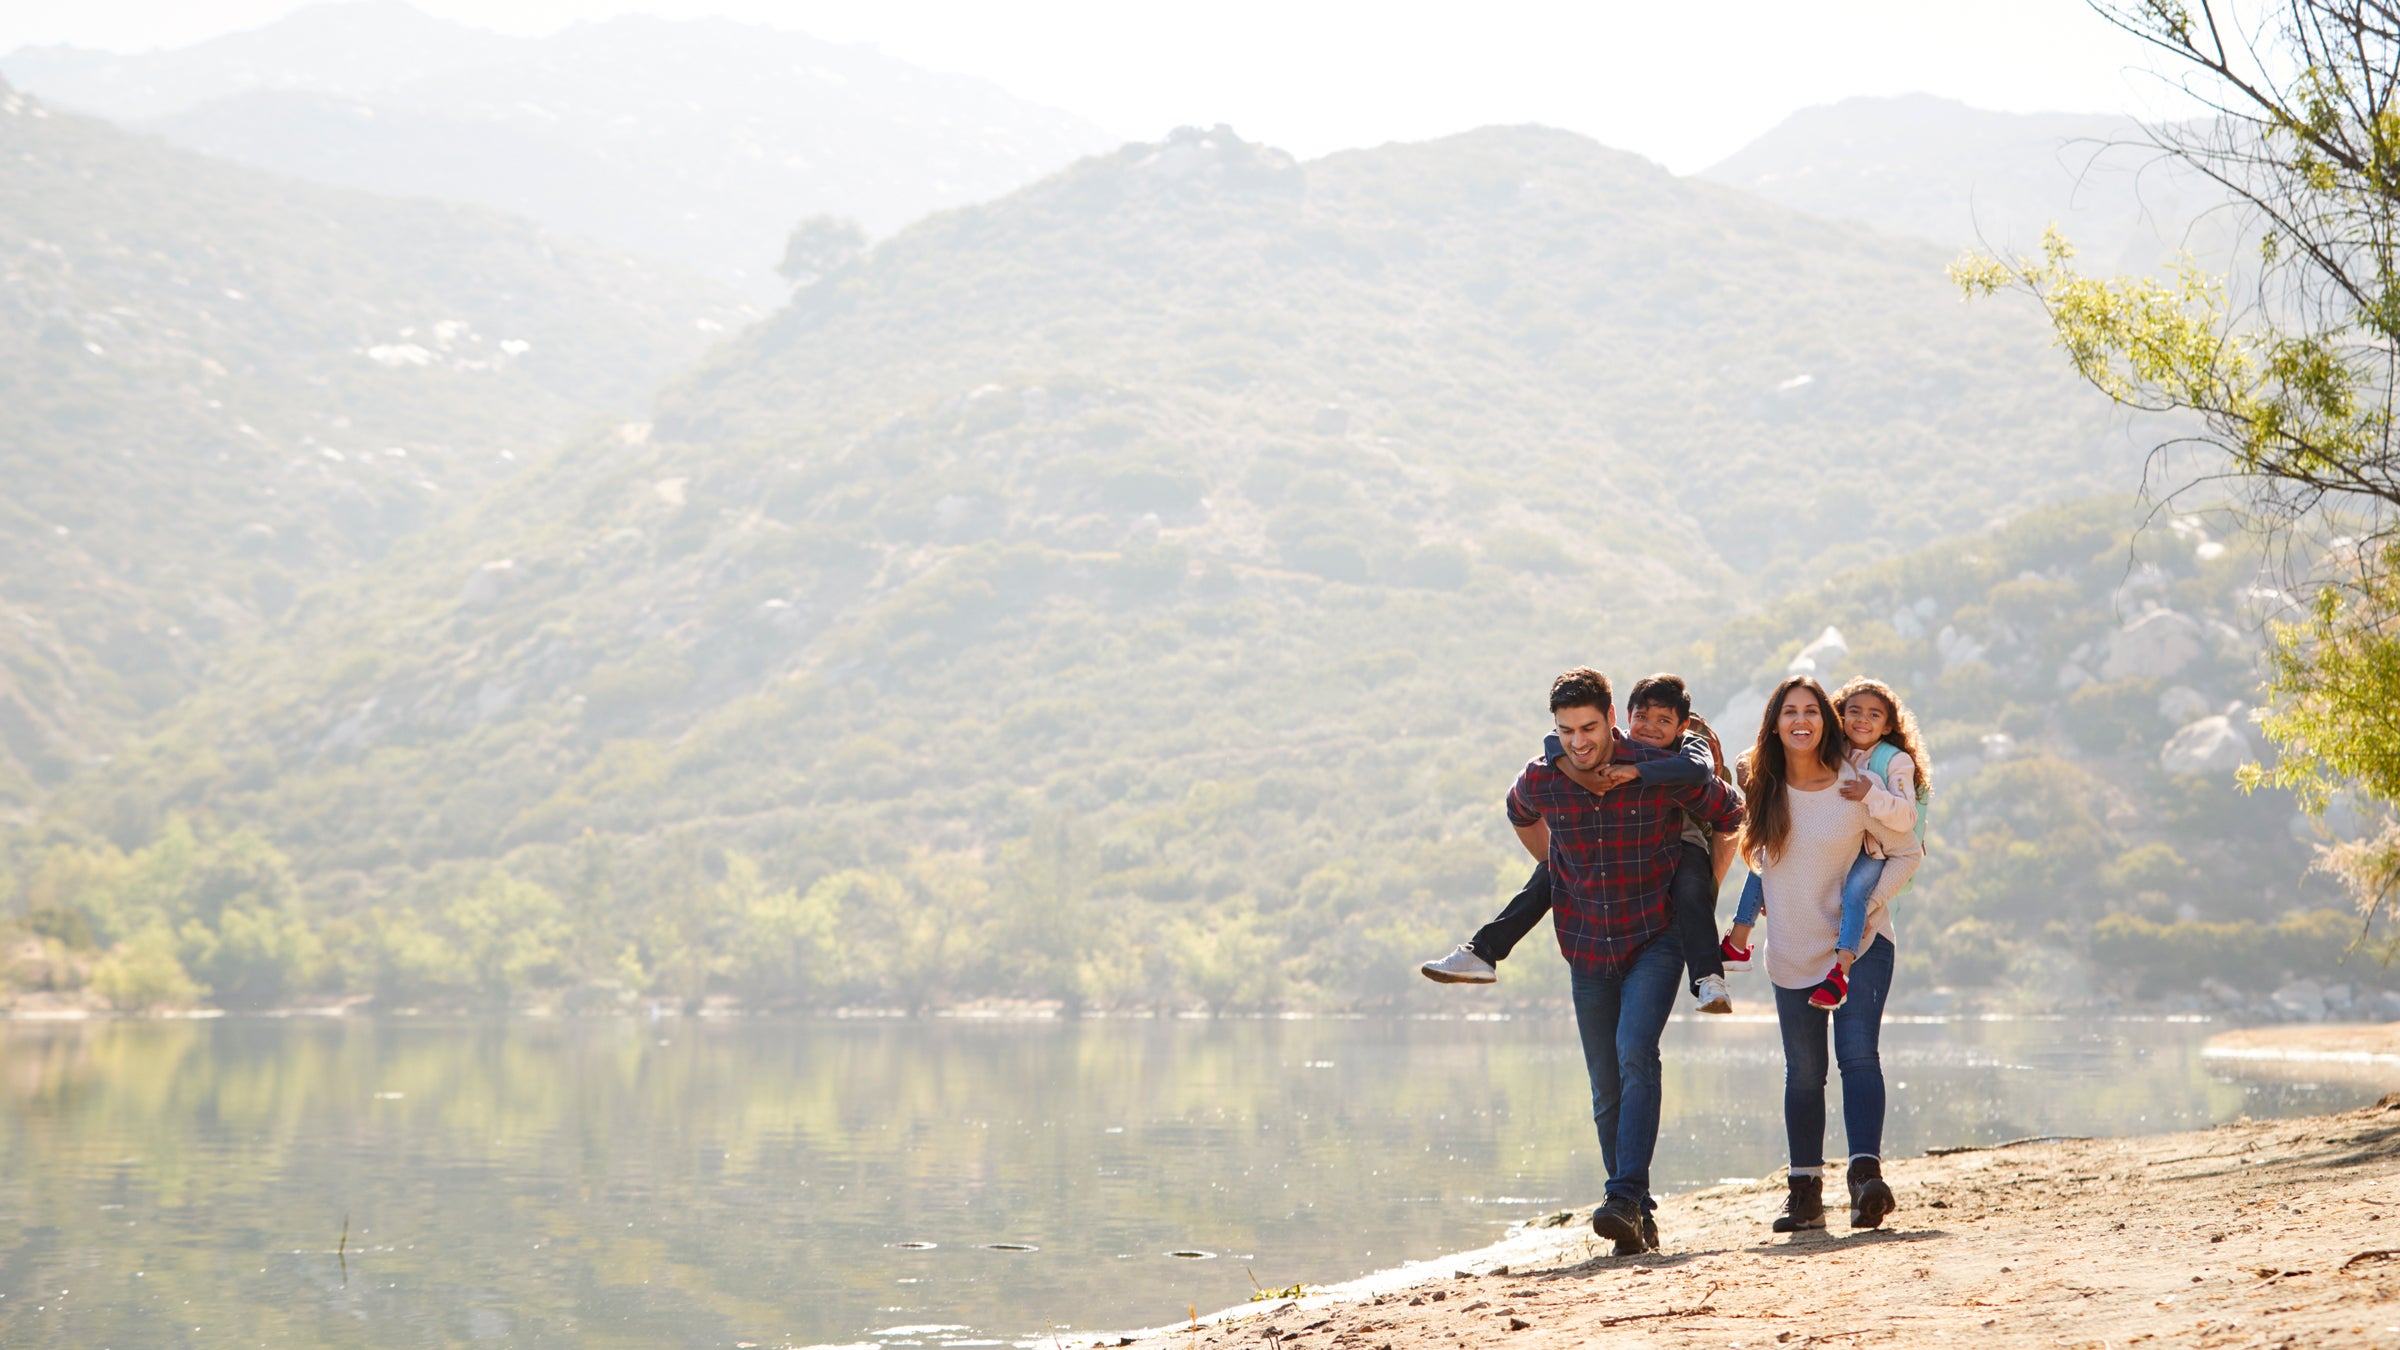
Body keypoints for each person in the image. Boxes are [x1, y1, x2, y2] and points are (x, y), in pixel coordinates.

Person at [1496, 668, 1744, 1255]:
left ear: (1610, 718)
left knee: (1636, 1053)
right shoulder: (1545, 775)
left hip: (1655, 938)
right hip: (1585, 943)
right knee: (1605, 1085)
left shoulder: (1654, 765)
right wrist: (1560, 867)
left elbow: (1729, 809)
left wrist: (1704, 882)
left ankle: (1625, 1197)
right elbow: (1517, 810)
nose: (1579, 741)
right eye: (1566, 730)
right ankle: (1637, 1214)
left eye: (1589, 727)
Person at [1420, 676, 1739, 1015]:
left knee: (1693, 888)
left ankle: (1708, 978)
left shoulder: (1692, 742)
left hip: (1684, 833)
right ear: (1624, 717)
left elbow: (1701, 772)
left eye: (1664, 720)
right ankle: (1481, 952)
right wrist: (1561, 854)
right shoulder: (1606, 746)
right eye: (1642, 718)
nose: (1650, 728)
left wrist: (1635, 773)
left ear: (1681, 725)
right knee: (1550, 875)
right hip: (1629, 853)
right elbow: (1552, 742)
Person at [1735, 675, 1911, 1234]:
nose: (1801, 720)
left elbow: (1908, 849)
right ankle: (1804, 1194)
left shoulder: (1856, 787)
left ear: (1826, 722)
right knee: (1804, 1074)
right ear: (1776, 724)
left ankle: (1866, 1183)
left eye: (1812, 710)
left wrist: (1868, 908)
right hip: (1791, 951)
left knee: (1857, 1055)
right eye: (1790, 711)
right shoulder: (1763, 792)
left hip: (1859, 948)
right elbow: (1756, 866)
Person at [1722, 678, 1928, 1010]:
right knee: (1761, 859)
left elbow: (1906, 822)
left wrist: (1870, 794)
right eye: (1854, 712)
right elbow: (1748, 759)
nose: (1863, 720)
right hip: (1799, 936)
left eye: (1874, 715)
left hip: (1874, 849)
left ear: (1889, 724)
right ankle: (1737, 940)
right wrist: (1758, 782)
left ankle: (1841, 970)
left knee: (1856, 895)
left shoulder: (1893, 760)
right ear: (1840, 717)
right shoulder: (1838, 749)